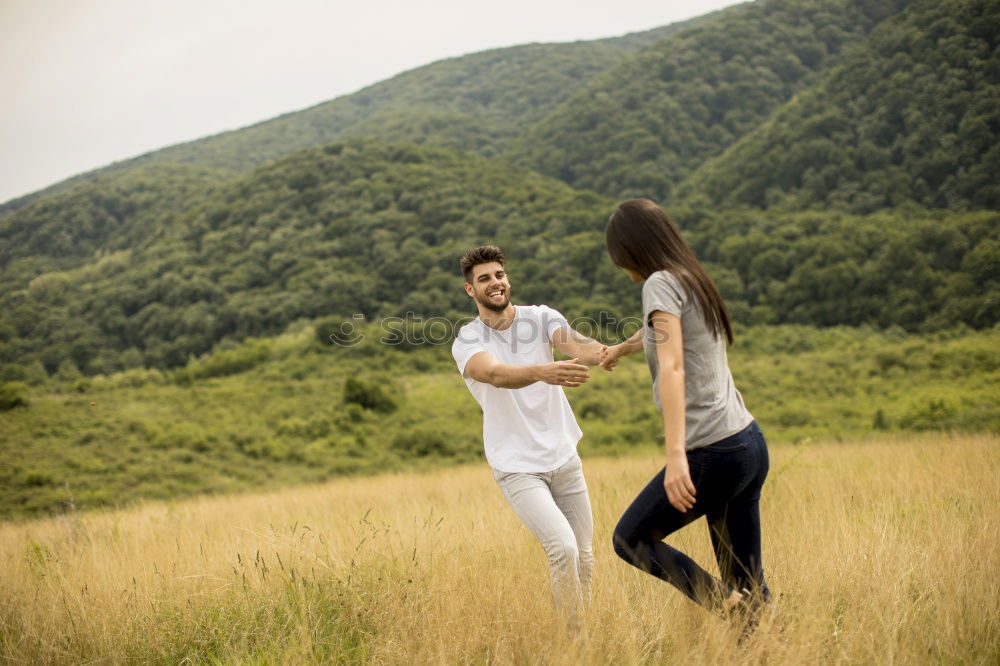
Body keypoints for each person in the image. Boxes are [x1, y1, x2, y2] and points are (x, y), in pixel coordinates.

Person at [600, 199, 772, 634]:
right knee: (749, 583)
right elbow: (661, 331)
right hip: (747, 443)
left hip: (711, 450)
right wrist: (622, 347)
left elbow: (673, 365)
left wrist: (677, 456)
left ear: (631, 248)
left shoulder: (658, 282)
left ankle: (727, 606)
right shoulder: (689, 275)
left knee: (630, 539)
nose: (622, 266)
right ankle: (772, 644)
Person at [450, 244, 604, 633]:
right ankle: (573, 642)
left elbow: (576, 346)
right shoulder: (468, 340)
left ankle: (580, 639)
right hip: (518, 467)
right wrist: (543, 371)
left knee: (584, 556)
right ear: (471, 290)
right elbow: (496, 374)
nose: (495, 283)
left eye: (499, 275)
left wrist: (617, 349)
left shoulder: (541, 317)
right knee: (563, 549)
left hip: (564, 457)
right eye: (484, 279)